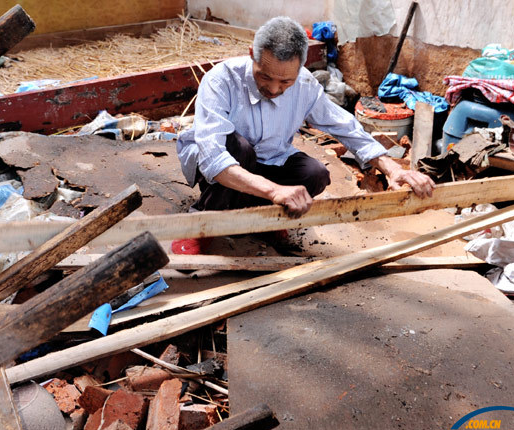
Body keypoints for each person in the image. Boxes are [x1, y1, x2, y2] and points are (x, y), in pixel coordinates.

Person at [173, 16, 434, 254]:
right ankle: (202, 224)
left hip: (267, 161)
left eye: (285, 82)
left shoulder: (305, 84)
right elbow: (213, 158)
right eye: (265, 76)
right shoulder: (221, 80)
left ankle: (264, 218)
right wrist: (275, 191)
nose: (274, 88)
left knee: (315, 173)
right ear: (252, 54)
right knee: (240, 149)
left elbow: (343, 124)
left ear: (300, 67)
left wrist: (390, 168)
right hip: (226, 164)